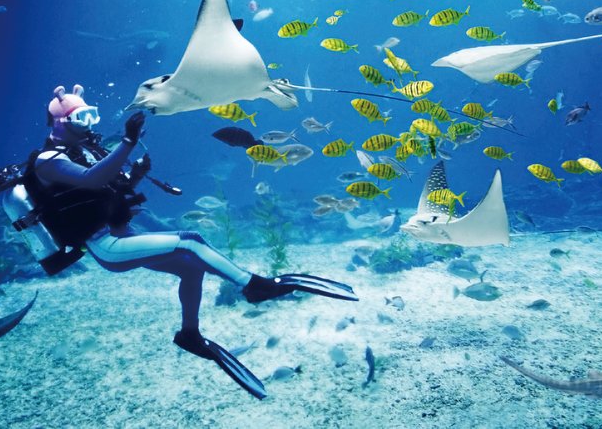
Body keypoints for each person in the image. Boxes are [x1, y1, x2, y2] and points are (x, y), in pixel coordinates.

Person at [21, 84, 358, 398]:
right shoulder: (48, 161)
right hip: (105, 247)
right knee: (190, 241)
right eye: (82, 117)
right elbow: (92, 180)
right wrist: (127, 142)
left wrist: (136, 171)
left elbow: (113, 185)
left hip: (125, 236)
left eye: (91, 114)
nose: (89, 123)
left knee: (190, 269)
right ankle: (255, 286)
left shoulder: (84, 151)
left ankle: (189, 334)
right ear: (59, 122)